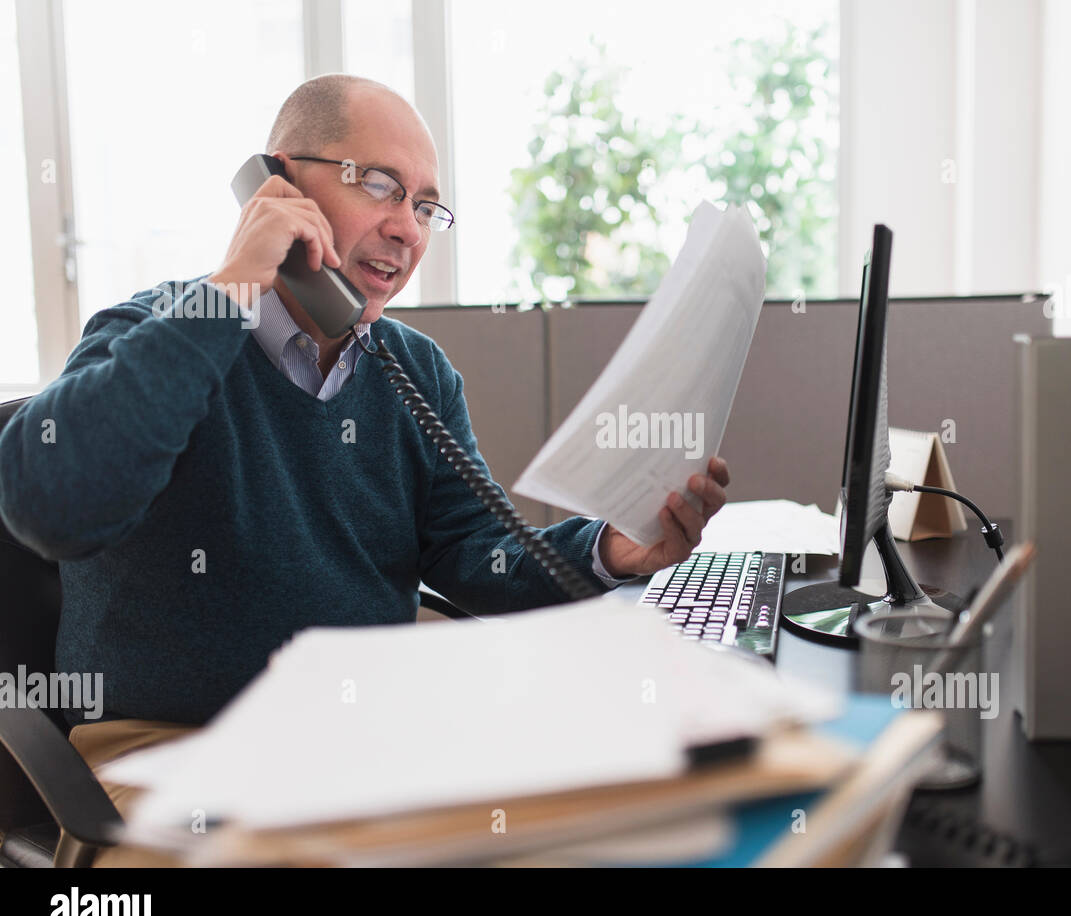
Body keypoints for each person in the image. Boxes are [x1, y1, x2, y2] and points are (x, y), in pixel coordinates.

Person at [0, 75, 730, 862]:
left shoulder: (416, 372)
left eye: (424, 206)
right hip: (171, 755)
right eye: (379, 186)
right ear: (278, 185)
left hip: (362, 746)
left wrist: (616, 549)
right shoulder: (156, 331)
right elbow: (49, 502)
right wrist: (237, 281)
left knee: (604, 820)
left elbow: (476, 552)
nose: (407, 230)